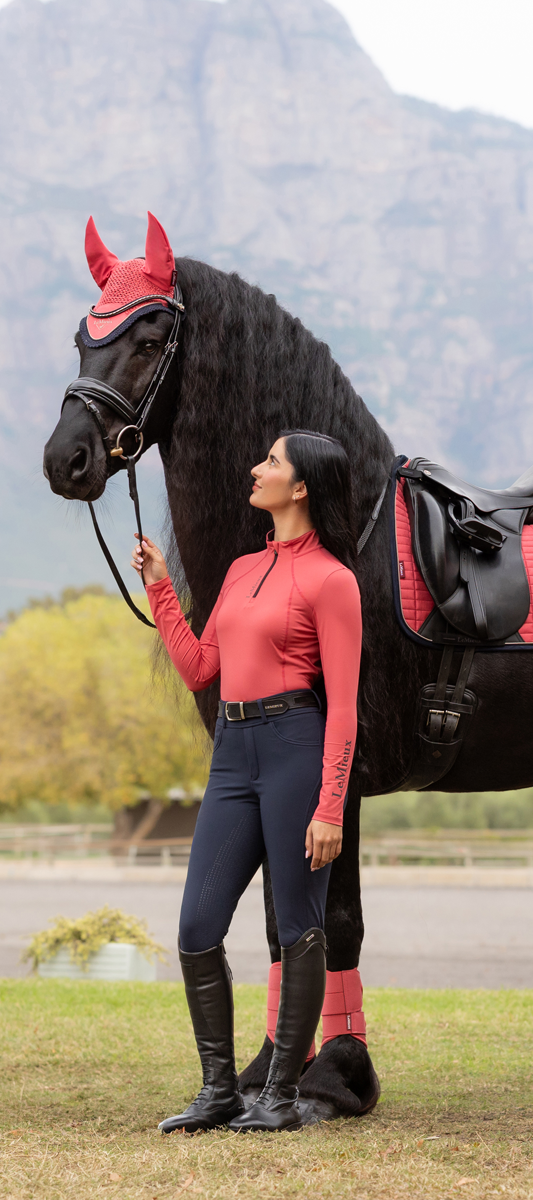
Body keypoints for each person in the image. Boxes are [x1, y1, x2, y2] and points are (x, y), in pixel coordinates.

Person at [131, 430, 362, 1134]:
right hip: (232, 752)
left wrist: (330, 807)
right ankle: (219, 1091)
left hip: (296, 746)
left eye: (272, 462)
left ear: (301, 489)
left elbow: (346, 705)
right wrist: (162, 588)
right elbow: (203, 668)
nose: (255, 469)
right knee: (197, 927)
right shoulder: (238, 570)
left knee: (298, 926)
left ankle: (284, 1096)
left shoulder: (332, 580)